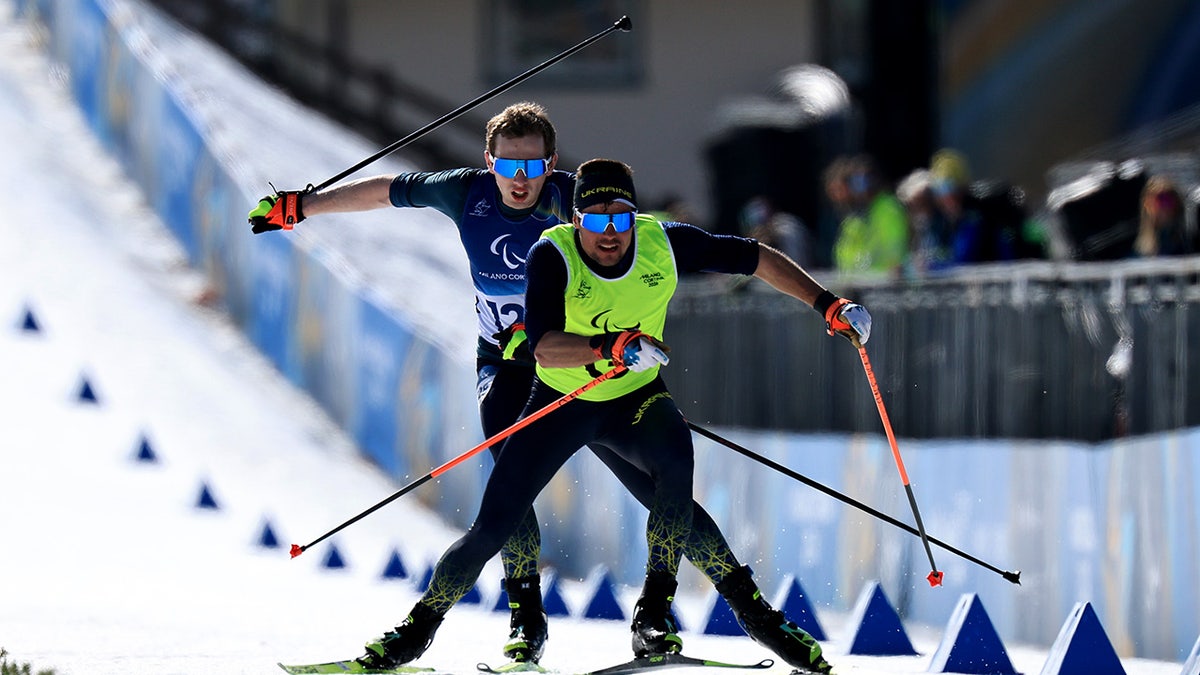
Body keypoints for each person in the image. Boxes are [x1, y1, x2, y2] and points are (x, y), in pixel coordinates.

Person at [352, 158, 872, 674]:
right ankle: (413, 636)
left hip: (634, 402)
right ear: (576, 220)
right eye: (596, 220)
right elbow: (545, 348)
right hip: (564, 403)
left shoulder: (662, 242)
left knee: (675, 469)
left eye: (620, 218)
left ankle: (668, 616)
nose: (610, 233)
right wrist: (613, 346)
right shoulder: (550, 254)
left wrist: (827, 304)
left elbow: (756, 258)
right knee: (493, 527)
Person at [249, 101, 571, 664]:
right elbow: (383, 191)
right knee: (510, 489)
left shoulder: (573, 196)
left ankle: (722, 609)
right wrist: (304, 206)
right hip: (503, 361)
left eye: (534, 165)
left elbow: (642, 239)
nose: (521, 180)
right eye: (509, 165)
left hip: (577, 359)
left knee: (649, 474)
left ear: (552, 161)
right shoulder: (465, 192)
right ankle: (527, 620)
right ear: (488, 159)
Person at [830, 154, 909, 277]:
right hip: (861, 284)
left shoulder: (888, 208)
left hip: (884, 284)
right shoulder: (858, 214)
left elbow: (895, 249)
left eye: (862, 181)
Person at [1133, 174, 1190, 257]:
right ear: (1147, 203)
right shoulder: (1131, 237)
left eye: (1171, 200)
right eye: (1162, 199)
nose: (1166, 206)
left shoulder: (1184, 240)